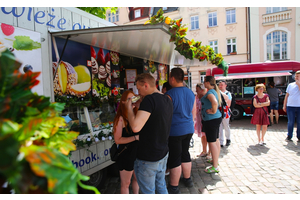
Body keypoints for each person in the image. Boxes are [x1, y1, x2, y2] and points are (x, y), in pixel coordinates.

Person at [124, 73, 173, 194]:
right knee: (161, 186)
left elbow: (135, 127)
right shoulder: (167, 99)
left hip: (149, 157)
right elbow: (156, 119)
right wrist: (141, 107)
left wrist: (129, 109)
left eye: (139, 89)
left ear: (146, 85)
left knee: (148, 192)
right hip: (162, 153)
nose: (138, 92)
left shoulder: (149, 100)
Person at [165, 68, 196, 194]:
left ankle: (174, 186)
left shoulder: (169, 95)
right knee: (185, 153)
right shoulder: (190, 93)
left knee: (175, 157)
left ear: (172, 78)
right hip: (188, 128)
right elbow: (193, 112)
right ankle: (188, 179)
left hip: (175, 130)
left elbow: (166, 115)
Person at [113, 90, 140, 194]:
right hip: (126, 155)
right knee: (125, 183)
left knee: (137, 179)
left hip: (137, 153)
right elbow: (117, 139)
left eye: (133, 98)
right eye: (129, 99)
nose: (132, 101)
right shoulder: (120, 118)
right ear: (123, 102)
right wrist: (135, 138)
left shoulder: (136, 114)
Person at [201, 76, 222, 174]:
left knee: (212, 142)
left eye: (204, 81)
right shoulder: (214, 91)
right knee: (216, 140)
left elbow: (214, 102)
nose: (203, 83)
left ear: (208, 82)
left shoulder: (210, 92)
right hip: (215, 119)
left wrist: (212, 111)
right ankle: (215, 160)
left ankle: (215, 166)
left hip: (211, 119)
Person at [283, 70, 300, 142]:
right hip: (290, 106)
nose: (296, 78)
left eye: (298, 76)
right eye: (295, 76)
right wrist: (284, 105)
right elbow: (286, 96)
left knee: (299, 122)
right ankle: (289, 135)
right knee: (290, 122)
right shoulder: (290, 85)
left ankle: (299, 136)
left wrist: (299, 85)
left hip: (299, 106)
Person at [194, 83, 210, 158]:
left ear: (202, 90)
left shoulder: (206, 96)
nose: (196, 91)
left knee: (208, 136)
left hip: (206, 118)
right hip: (199, 119)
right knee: (203, 136)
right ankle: (204, 150)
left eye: (197, 90)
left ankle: (210, 152)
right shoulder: (197, 97)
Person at [218, 80, 232, 147]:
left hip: (225, 112)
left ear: (225, 85)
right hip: (219, 111)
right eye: (220, 85)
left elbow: (228, 104)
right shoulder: (217, 93)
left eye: (222, 85)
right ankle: (221, 142)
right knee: (220, 127)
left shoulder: (228, 93)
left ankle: (228, 139)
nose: (221, 86)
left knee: (226, 126)